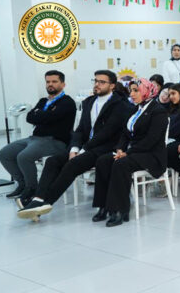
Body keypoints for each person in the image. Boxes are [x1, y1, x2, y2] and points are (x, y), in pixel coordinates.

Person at [17, 70, 135, 218]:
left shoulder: (120, 105)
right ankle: (38, 199)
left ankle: (46, 202)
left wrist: (83, 149)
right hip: (85, 147)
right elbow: (79, 130)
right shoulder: (89, 102)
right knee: (53, 161)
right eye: (95, 81)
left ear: (112, 85)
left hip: (104, 148)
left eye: (102, 82)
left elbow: (107, 132)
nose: (97, 85)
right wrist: (74, 148)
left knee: (72, 164)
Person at [91, 78, 167, 227]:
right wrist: (120, 148)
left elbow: (151, 139)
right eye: (131, 91)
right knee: (103, 161)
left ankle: (120, 209)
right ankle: (103, 206)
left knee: (121, 164)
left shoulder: (158, 111)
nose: (131, 94)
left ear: (146, 91)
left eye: (136, 90)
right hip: (133, 152)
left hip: (151, 155)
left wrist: (127, 152)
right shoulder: (135, 109)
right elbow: (125, 134)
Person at [0, 70, 76, 200]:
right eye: (48, 82)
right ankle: (23, 184)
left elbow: (50, 117)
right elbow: (29, 117)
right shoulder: (43, 101)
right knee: (4, 154)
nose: (50, 84)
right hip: (34, 138)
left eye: (54, 81)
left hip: (54, 141)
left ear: (63, 84)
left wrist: (40, 114)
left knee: (24, 157)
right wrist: (44, 115)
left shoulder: (67, 102)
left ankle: (32, 188)